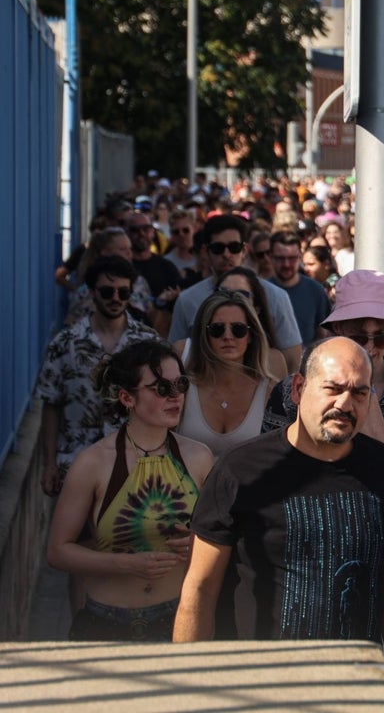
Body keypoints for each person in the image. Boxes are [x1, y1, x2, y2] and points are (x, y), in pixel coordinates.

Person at [175, 336, 384, 695]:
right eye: (333, 389)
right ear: (299, 388)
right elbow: (200, 586)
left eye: (359, 393)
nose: (345, 403)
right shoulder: (241, 470)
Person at [47, 340, 213, 640]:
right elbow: (58, 552)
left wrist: (198, 545)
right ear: (127, 398)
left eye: (180, 384)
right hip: (107, 622)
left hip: (179, 616)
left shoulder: (199, 458)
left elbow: (220, 537)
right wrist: (123, 563)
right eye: (161, 388)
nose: (175, 396)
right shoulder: (93, 462)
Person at [261, 270, 384, 456]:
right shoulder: (293, 390)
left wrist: (374, 419)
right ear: (337, 328)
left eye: (381, 338)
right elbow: (268, 460)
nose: (369, 348)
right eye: (358, 337)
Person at [37, 256, 161, 496]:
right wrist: (49, 464)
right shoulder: (65, 343)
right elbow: (51, 404)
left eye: (123, 292)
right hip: (75, 467)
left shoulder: (149, 344)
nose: (116, 298)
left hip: (135, 472)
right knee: (73, 534)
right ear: (92, 293)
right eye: (107, 291)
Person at [169, 215, 302, 374]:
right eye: (218, 248)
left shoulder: (276, 296)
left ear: (244, 250)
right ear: (206, 251)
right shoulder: (187, 300)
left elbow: (292, 360)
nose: (226, 254)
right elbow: (176, 359)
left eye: (234, 247)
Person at [177, 291, 278, 458]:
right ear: (204, 335)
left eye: (238, 329)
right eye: (217, 329)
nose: (227, 336)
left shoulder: (272, 391)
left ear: (251, 335)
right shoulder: (182, 388)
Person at [266, 230, 331, 346]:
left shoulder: (316, 291)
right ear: (270, 257)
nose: (286, 264)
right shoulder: (262, 291)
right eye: (280, 258)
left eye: (292, 258)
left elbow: (324, 334)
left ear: (300, 257)